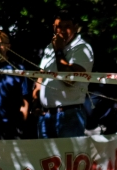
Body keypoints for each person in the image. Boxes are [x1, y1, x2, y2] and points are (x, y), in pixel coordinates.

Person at [32, 9, 94, 138]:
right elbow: (41, 77)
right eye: (59, 27)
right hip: (46, 116)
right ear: (54, 28)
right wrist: (36, 103)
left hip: (69, 115)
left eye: (67, 27)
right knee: (46, 157)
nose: (62, 31)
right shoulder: (50, 48)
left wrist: (59, 51)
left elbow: (68, 80)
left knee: (67, 156)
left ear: (76, 28)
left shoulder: (82, 48)